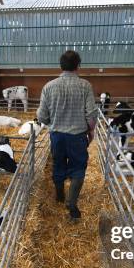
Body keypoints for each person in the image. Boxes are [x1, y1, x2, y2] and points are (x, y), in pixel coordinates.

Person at [36, 50, 98, 220]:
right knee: (78, 167)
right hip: (78, 136)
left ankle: (60, 195)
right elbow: (91, 115)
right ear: (78, 66)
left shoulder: (49, 87)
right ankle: (72, 202)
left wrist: (53, 122)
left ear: (60, 66)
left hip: (57, 136)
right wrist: (91, 131)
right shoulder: (85, 86)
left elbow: (41, 117)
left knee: (58, 164)